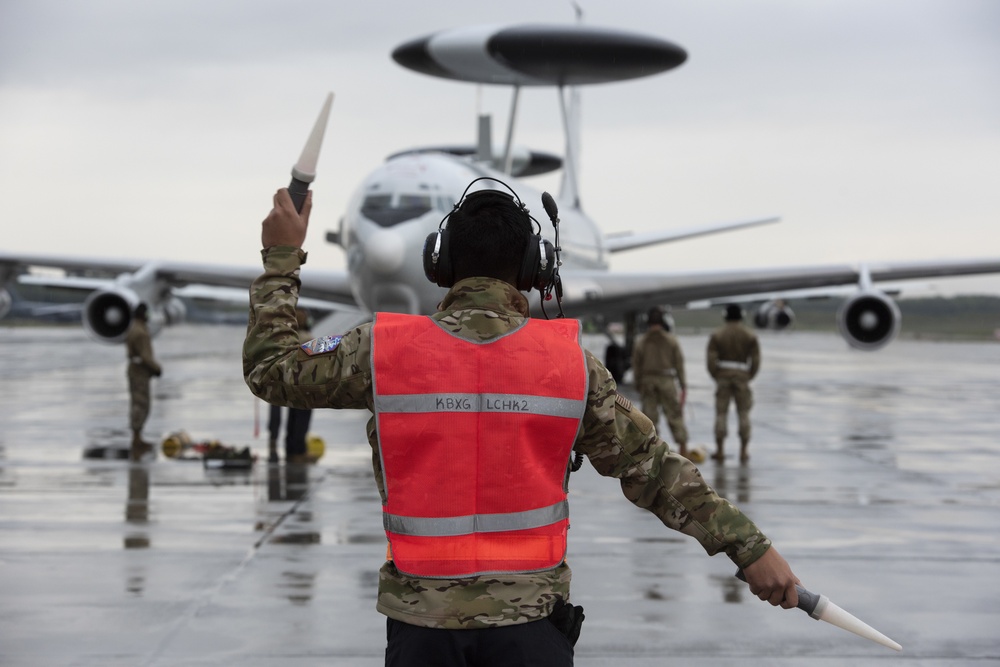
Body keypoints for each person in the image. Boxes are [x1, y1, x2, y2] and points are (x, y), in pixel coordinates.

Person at [243, 184, 799, 666]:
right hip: (530, 631)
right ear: (536, 269)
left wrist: (281, 256)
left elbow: (271, 368)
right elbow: (656, 471)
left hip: (422, 631)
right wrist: (749, 548)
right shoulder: (570, 365)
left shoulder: (381, 350)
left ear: (439, 265)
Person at [631, 306, 689, 457]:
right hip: (667, 380)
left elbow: (636, 365)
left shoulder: (641, 341)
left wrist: (637, 383)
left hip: (648, 380)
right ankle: (683, 449)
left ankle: (652, 451)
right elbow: (679, 364)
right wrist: (683, 384)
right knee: (674, 416)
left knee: (649, 417)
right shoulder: (671, 340)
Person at [706, 304, 761, 464]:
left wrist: (716, 374)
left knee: (721, 414)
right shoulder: (750, 335)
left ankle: (720, 450)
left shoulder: (717, 334)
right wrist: (749, 375)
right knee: (743, 413)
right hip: (742, 375)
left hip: (723, 375)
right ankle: (743, 451)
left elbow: (711, 359)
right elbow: (756, 360)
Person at [266, 307, 314, 464]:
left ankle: (290, 449)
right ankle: (297, 451)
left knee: (292, 417)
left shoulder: (283, 337)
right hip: (301, 383)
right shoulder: (303, 337)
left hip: (288, 382)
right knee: (300, 418)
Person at [125, 303, 161, 461]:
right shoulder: (140, 332)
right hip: (140, 371)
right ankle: (137, 438)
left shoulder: (134, 328)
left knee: (137, 403)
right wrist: (157, 368)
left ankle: (137, 437)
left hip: (136, 369)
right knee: (141, 404)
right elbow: (146, 356)